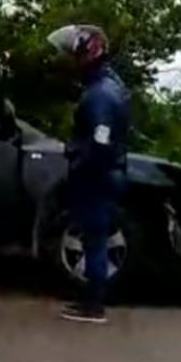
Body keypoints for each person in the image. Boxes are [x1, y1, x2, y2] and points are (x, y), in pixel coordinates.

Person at [47, 25, 129, 324]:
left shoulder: (100, 95)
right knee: (95, 237)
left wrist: (81, 166)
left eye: (75, 53)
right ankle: (91, 300)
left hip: (98, 175)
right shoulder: (109, 86)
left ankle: (93, 305)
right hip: (106, 172)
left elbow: (100, 141)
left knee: (94, 239)